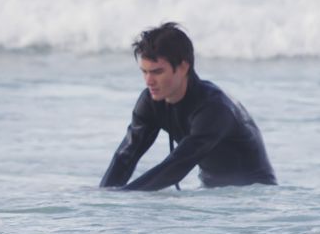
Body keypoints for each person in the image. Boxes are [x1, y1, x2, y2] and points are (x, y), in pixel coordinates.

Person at [100, 22, 276, 191]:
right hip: (213, 195)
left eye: (157, 72)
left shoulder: (214, 108)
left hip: (253, 197)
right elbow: (126, 156)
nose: (149, 81)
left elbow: (177, 165)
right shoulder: (152, 101)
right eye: (144, 72)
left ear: (183, 67)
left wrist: (125, 193)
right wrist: (105, 197)